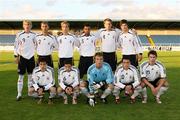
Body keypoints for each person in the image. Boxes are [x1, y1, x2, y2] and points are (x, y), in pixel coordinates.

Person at [14, 20, 36, 101]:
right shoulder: (19, 34)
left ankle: (29, 93)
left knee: (30, 77)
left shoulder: (34, 35)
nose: (27, 26)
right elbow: (16, 46)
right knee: (21, 76)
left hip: (31, 58)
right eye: (25, 24)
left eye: (29, 24)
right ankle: (19, 94)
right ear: (23, 25)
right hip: (22, 58)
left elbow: (37, 45)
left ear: (31, 26)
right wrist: (16, 56)